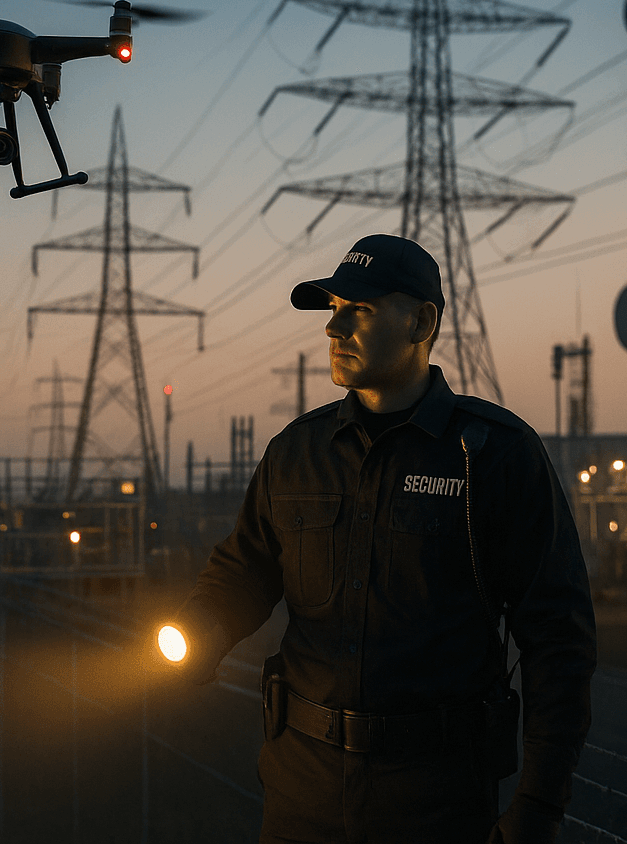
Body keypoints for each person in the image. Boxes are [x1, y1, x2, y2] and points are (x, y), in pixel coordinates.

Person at [165, 234, 595, 844]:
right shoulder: (296, 454)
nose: (333, 328)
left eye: (360, 309)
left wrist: (539, 804)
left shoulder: (495, 457)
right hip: (300, 796)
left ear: (422, 321)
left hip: (437, 805)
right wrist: (196, 635)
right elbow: (244, 571)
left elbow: (559, 640)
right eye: (333, 307)